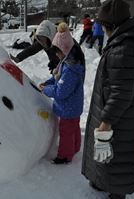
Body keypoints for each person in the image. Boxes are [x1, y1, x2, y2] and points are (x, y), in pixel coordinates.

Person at [81, 0, 134, 198]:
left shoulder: (124, 49)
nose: (103, 31)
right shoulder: (127, 41)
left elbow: (121, 94)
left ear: (113, 26)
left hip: (121, 117)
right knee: (113, 155)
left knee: (116, 156)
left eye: (104, 27)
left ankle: (117, 192)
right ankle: (102, 181)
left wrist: (106, 122)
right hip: (127, 114)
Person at [40, 23, 85, 164]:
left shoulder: (70, 70)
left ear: (64, 50)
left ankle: (65, 156)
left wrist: (45, 90)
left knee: (66, 132)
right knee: (74, 128)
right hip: (73, 107)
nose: (56, 55)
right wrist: (47, 83)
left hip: (68, 108)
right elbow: (56, 78)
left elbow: (60, 92)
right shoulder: (66, 62)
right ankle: (75, 147)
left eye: (57, 52)